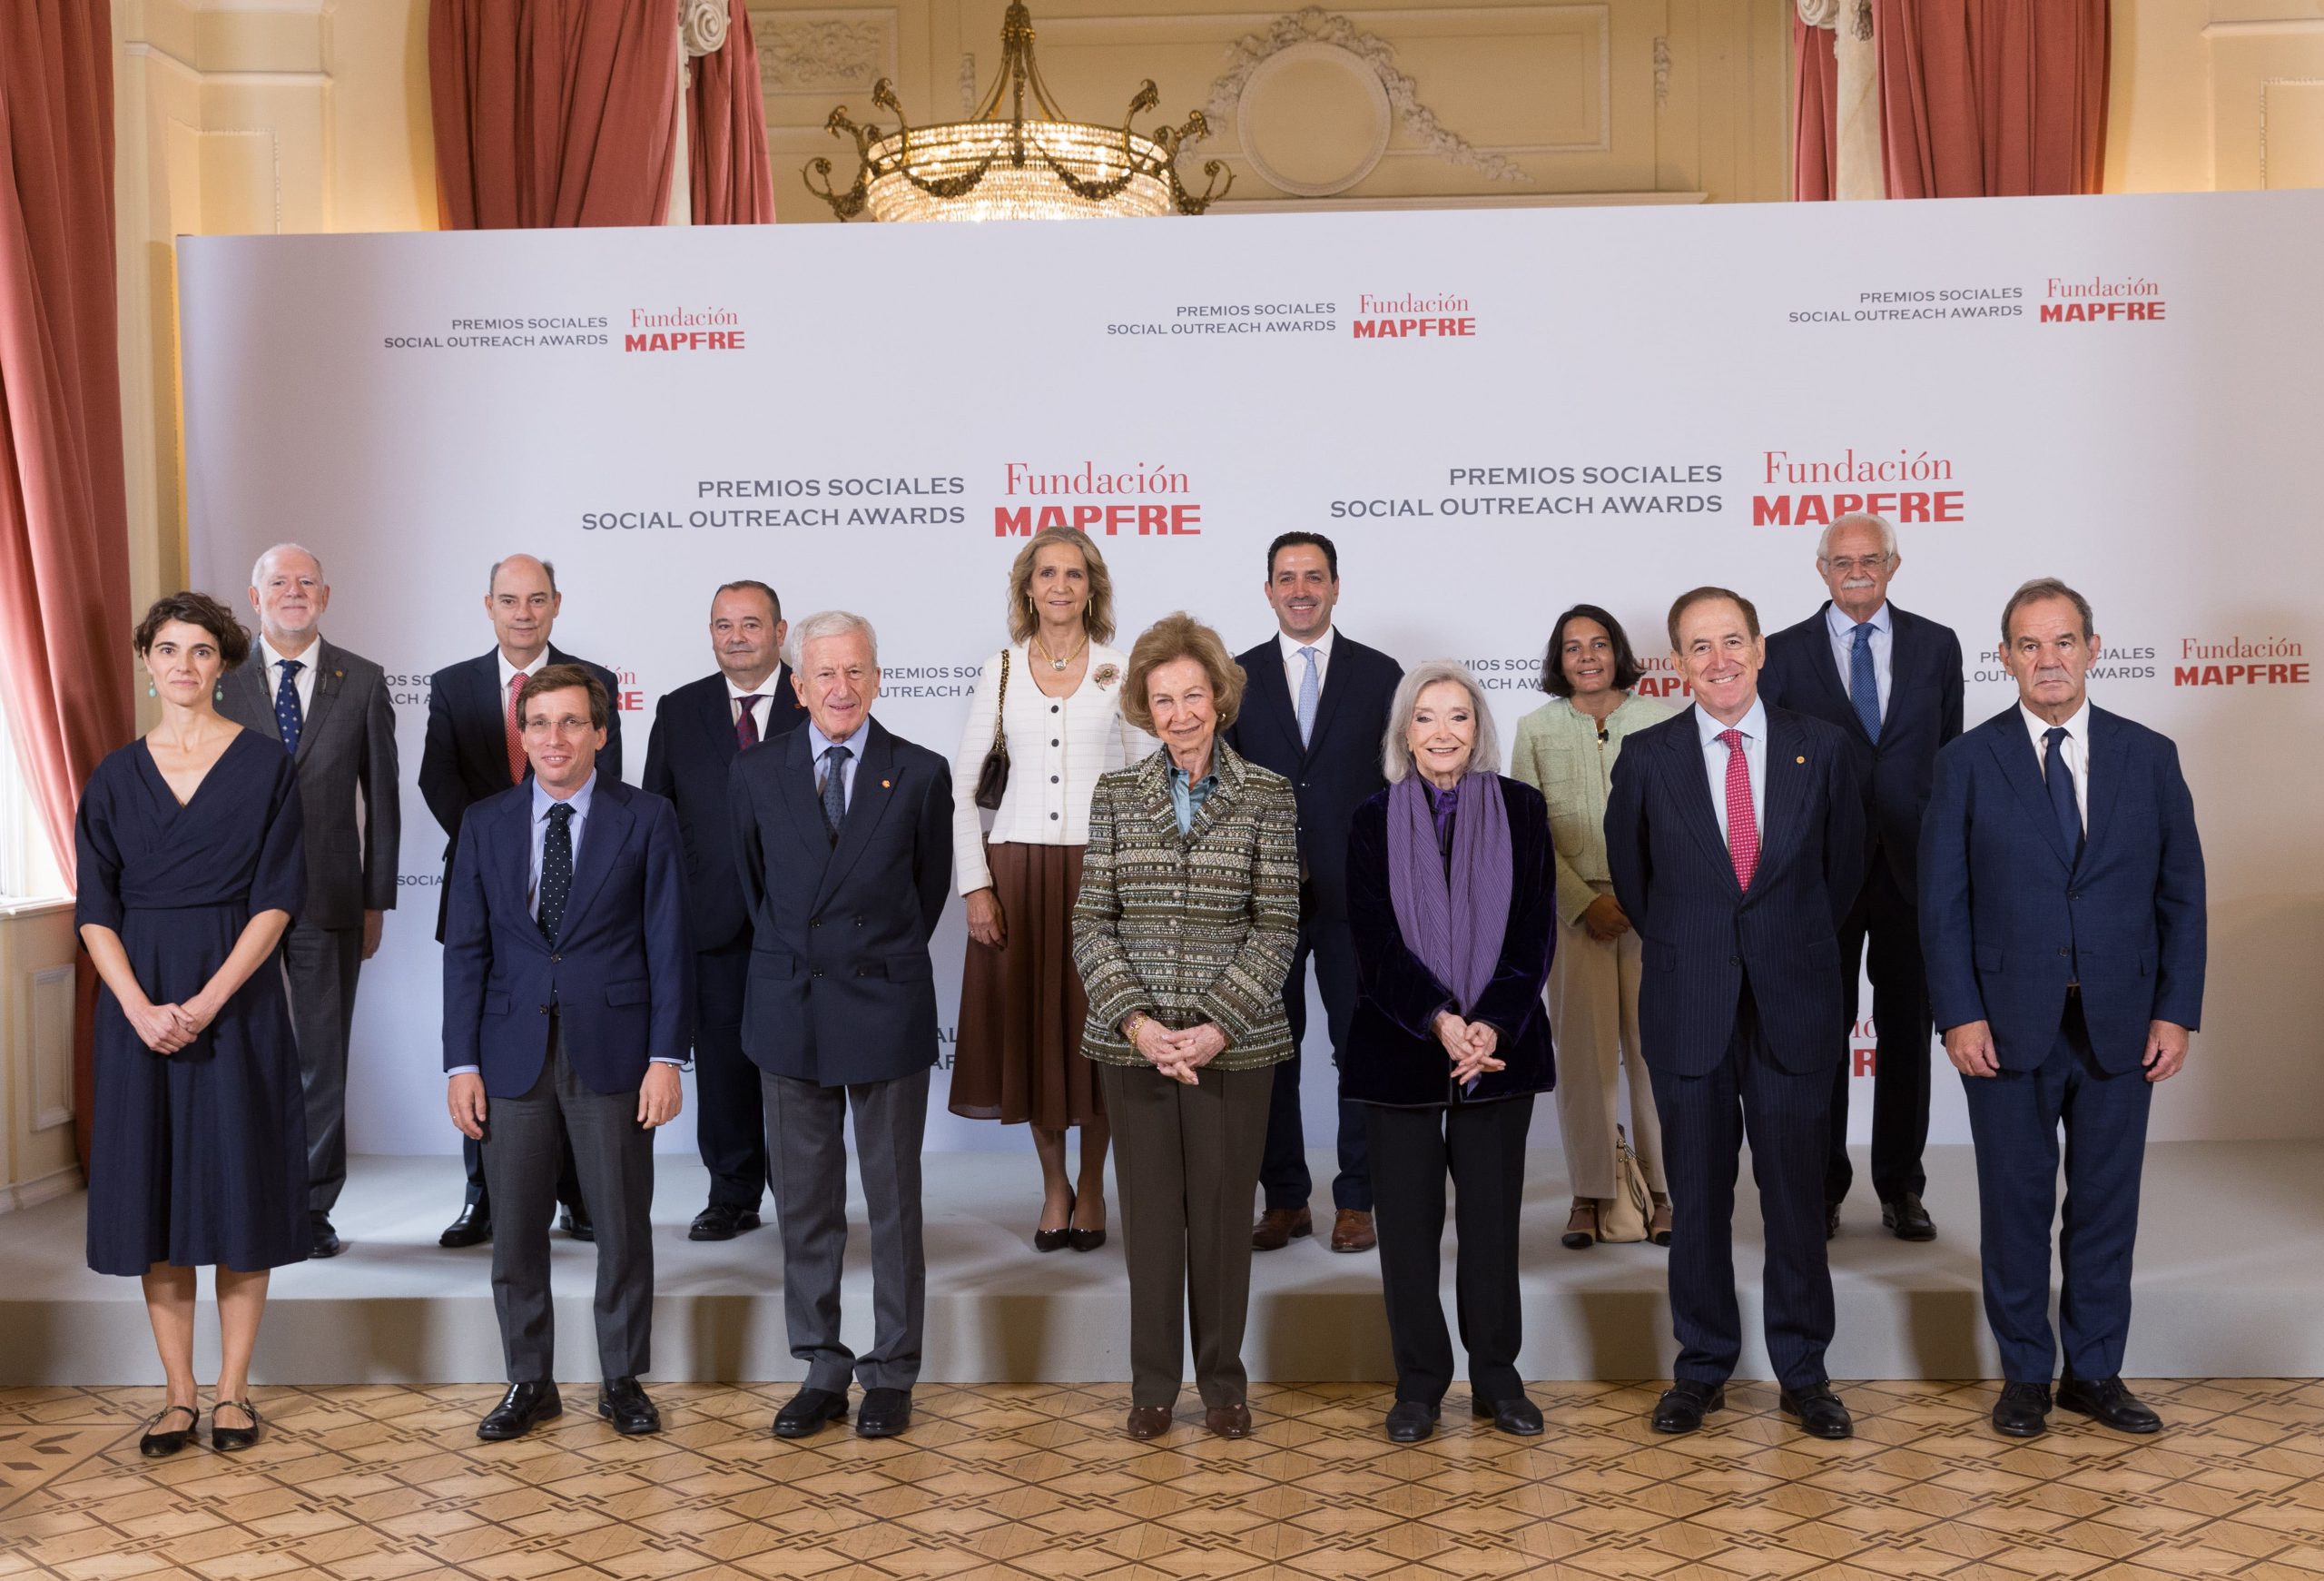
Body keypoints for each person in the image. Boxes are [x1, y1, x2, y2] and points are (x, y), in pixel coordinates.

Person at [1920, 578, 2204, 1440]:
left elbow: (2182, 895)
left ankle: (2095, 1372)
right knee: (2014, 1205)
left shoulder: (2149, 754)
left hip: (2125, 1021)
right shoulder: (1967, 761)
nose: (2048, 660)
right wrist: (1959, 1014)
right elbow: (1943, 903)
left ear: (2093, 646)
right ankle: (2024, 1378)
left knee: (2107, 1205)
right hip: (2005, 1026)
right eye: (2029, 645)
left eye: (2063, 641)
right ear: (2005, 656)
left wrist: (2176, 1010)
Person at [1606, 587, 1866, 1441]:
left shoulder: (1822, 749)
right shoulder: (1645, 759)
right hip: (1690, 1005)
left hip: (1795, 1003)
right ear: (1676, 663)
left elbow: (1845, 875)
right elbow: (1638, 886)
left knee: (1795, 1199)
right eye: (1698, 646)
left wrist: (1779, 946)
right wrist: (1705, 944)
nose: (1718, 660)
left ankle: (1804, 1371)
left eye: (1732, 641)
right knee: (1701, 1202)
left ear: (1760, 648)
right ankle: (1702, 1367)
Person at [76, 592, 310, 1457]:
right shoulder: (111, 776)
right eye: (168, 649)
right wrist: (137, 1006)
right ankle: (177, 1394)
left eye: (201, 651)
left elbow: (279, 896)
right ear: (146, 661)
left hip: (235, 999)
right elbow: (95, 908)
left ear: (225, 664)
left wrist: (209, 1000)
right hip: (137, 1004)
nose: (184, 665)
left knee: (239, 1189)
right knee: (153, 1195)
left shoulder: (265, 765)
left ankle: (234, 1392)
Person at [442, 665, 691, 1442]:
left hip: (615, 1051)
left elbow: (669, 944)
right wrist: (461, 1063)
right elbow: (465, 952)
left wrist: (666, 1057)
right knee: (514, 1231)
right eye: (540, 722)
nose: (555, 738)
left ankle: (621, 1379)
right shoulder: (483, 823)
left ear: (601, 734)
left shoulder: (646, 817)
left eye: (572, 722)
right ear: (522, 734)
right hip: (510, 1053)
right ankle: (529, 1379)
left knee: (621, 1225)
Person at [1073, 613, 1299, 1441]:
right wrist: (1137, 1024)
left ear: (1218, 697)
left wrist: (1213, 1028)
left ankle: (1224, 1383)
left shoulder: (1267, 795)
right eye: (1163, 699)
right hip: (1133, 1048)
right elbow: (1091, 923)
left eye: (1192, 695)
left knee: (1220, 1221)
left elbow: (1277, 925)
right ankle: (1152, 1386)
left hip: (1233, 1050)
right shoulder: (1115, 796)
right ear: (1144, 705)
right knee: (1153, 1229)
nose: (1179, 713)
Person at [731, 611, 952, 1441]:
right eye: (823, 673)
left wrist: (869, 957)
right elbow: (758, 893)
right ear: (797, 686)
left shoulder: (921, 773)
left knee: (894, 1201)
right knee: (808, 1206)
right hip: (789, 1007)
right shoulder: (755, 773)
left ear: (878, 676)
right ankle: (822, 1365)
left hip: (884, 1003)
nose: (840, 688)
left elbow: (926, 893)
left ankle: (891, 1370)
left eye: (855, 670)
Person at [1345, 661, 1557, 1443]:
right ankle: (1420, 1384)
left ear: (1479, 729)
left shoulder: (1523, 810)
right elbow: (1373, 943)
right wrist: (1441, 1021)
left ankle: (1498, 1380)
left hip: (1499, 1054)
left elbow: (1534, 932)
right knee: (1406, 1230)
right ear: (1407, 732)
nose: (1443, 732)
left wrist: (1490, 1026)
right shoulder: (1372, 817)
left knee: (1494, 1227)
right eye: (1427, 717)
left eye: (1458, 717)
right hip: (1401, 1047)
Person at [1762, 512, 1964, 1242]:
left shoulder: (1937, 645)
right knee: (1819, 1033)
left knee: (1908, 1031)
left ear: (1893, 564)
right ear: (1821, 569)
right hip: (1818, 874)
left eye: (1869, 559)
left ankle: (1901, 1187)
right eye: (1841, 561)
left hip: (1914, 869)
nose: (1856, 571)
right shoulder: (1779, 652)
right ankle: (1821, 1186)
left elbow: (1949, 763)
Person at [420, 554, 621, 1249]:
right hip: (487, 896)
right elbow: (437, 781)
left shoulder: (591, 685)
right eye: (510, 599)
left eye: (537, 599)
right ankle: (483, 1195)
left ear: (556, 603)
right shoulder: (452, 686)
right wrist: (501, 851)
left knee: (573, 1048)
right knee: (493, 1048)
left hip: (585, 904)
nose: (524, 612)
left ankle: (578, 1195)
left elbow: (611, 784)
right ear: (489, 605)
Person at [950, 526, 1142, 1250]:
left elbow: (1146, 786)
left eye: (1074, 573)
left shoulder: (1123, 670)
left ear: (1092, 587)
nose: (1059, 586)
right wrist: (976, 886)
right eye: (1046, 573)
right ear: (1027, 587)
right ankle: (1054, 1184)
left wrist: (1137, 886)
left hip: (1104, 879)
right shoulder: (998, 670)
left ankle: (1094, 1184)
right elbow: (963, 790)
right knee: (1033, 1036)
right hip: (1019, 878)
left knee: (1100, 1036)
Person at [218, 544, 399, 1260]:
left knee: (323, 1056)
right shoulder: (222, 680)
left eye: (306, 582)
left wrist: (374, 899)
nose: (293, 592)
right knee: (244, 1049)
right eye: (278, 582)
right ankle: (248, 1190)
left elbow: (380, 798)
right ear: (256, 598)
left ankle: (311, 1204)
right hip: (235, 901)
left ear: (325, 594)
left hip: (330, 897)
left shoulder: (364, 680)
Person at [1227, 532, 1403, 1255]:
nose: (1300, 589)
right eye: (1286, 577)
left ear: (1336, 586)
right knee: (1272, 1050)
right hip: (1263, 899)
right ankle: (1287, 1198)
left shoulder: (1382, 673)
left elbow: (1403, 780)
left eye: (1314, 576)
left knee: (1360, 1047)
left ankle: (1358, 1199)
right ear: (1267, 590)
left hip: (1358, 893)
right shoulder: (1234, 676)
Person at [642, 580, 808, 1241]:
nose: (736, 637)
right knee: (721, 1064)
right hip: (709, 923)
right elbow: (657, 815)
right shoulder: (679, 709)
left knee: (799, 1070)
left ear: (779, 629)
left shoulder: (815, 695)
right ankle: (732, 1193)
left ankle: (804, 1198)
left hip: (800, 924)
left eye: (750, 623)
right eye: (723, 625)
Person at [1511, 605, 1673, 1251]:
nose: (1587, 656)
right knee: (1582, 1060)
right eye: (1573, 647)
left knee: (1654, 1056)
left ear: (1618, 652)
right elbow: (1526, 833)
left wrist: (1638, 896)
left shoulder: (1662, 719)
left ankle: (1661, 1192)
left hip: (1649, 913)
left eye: (1599, 644)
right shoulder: (1535, 727)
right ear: (1560, 659)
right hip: (1572, 914)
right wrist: (1582, 902)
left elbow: (1677, 820)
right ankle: (1590, 1192)